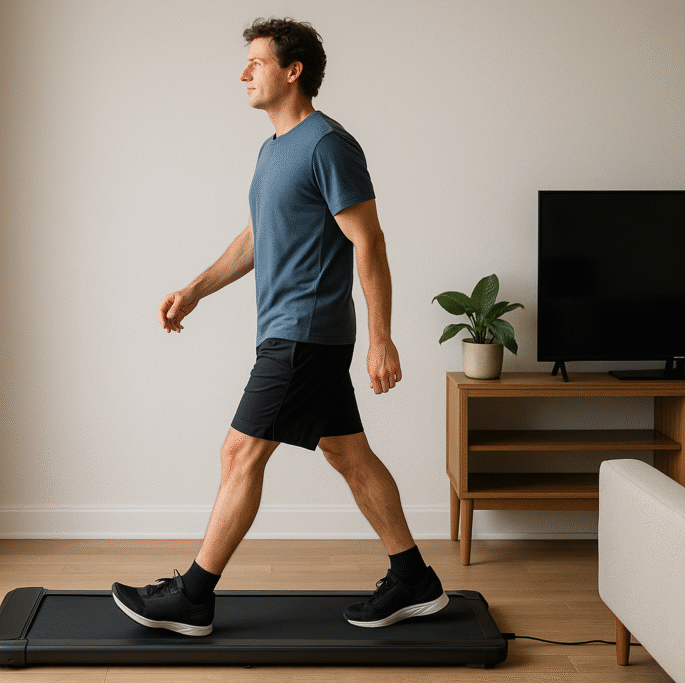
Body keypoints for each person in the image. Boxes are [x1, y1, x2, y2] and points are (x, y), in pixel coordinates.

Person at [112, 17, 447, 637]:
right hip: (291, 331)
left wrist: (381, 338)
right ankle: (413, 579)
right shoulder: (273, 150)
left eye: (257, 62)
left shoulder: (328, 144)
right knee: (348, 454)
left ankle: (193, 596)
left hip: (305, 332)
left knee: (240, 452)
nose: (244, 73)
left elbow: (369, 240)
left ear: (293, 72)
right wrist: (195, 290)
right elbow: (255, 237)